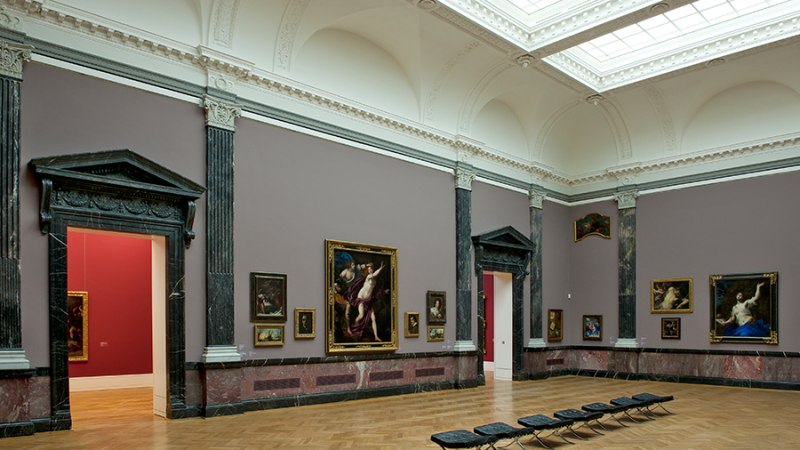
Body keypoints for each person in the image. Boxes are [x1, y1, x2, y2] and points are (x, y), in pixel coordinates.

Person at [344, 261, 385, 341]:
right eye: (368, 269)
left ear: (372, 269)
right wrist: (380, 268)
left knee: (373, 318)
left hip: (368, 301)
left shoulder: (375, 281)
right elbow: (374, 274)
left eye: (370, 269)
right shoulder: (369, 276)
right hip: (361, 299)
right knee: (361, 315)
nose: (369, 270)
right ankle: (354, 328)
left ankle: (376, 336)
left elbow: (374, 290)